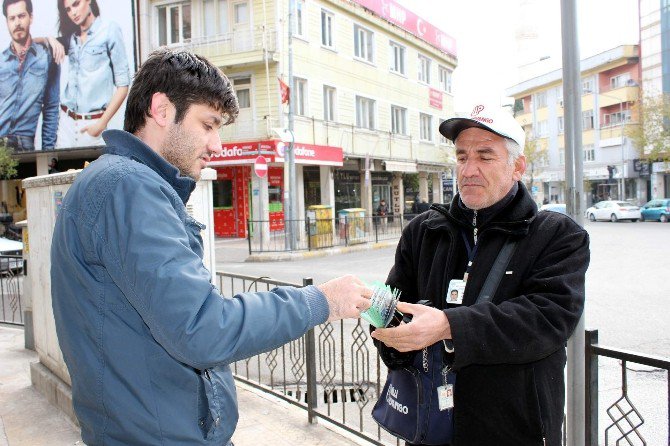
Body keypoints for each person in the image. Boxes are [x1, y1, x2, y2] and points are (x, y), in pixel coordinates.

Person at [50, 48, 372, 446]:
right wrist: (321, 301)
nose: (217, 144)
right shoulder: (129, 187)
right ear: (162, 110)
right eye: (208, 124)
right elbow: (202, 329)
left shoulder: (114, 183)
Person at [371, 104, 589, 446]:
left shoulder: (557, 235)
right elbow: (392, 305)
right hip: (431, 423)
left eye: (485, 156)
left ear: (517, 166)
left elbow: (548, 319)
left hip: (514, 428)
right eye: (461, 157)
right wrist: (387, 329)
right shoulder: (422, 231)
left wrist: (448, 326)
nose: (469, 170)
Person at [55, 0, 129, 148]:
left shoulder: (109, 30)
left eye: (76, 4)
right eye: (68, 9)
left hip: (92, 125)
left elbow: (123, 85)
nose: (73, 12)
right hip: (66, 124)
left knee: (91, 170)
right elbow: (37, 43)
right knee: (62, 171)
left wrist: (100, 125)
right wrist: (51, 40)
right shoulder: (72, 37)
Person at [0, 0, 60, 151]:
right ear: (6, 21)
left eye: (21, 16)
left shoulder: (46, 57)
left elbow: (51, 108)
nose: (17, 23)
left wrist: (48, 154)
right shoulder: (1, 61)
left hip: (24, 145)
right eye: (12, 18)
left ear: (30, 17)